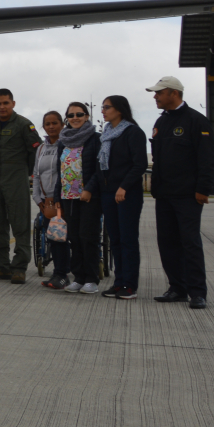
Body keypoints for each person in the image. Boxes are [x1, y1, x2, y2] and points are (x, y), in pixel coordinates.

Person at [147, 76, 214, 309]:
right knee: (167, 242)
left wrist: (203, 189)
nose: (155, 97)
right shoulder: (161, 122)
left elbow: (207, 160)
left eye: (159, 93)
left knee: (190, 243)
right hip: (164, 194)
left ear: (173, 93)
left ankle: (197, 292)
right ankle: (177, 287)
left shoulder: (197, 121)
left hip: (188, 195)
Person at [0, 88, 43, 284]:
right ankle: (1, 266)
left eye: (6, 103)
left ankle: (19, 268)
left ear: (13, 104)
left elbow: (36, 152)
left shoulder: (24, 125)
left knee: (20, 223)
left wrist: (28, 173)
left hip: (16, 178)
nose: (2, 107)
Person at [98, 95, 149, 299]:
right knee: (115, 240)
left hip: (127, 194)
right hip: (109, 193)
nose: (103, 110)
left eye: (107, 107)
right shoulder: (107, 134)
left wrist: (124, 187)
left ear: (119, 109)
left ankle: (130, 284)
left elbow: (139, 164)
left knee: (128, 240)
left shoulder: (133, 132)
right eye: (102, 107)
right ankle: (119, 283)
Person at [51, 102, 103, 294]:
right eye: (71, 115)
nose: (75, 118)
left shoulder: (96, 139)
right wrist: (57, 195)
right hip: (68, 197)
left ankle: (91, 278)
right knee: (74, 238)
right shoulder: (63, 141)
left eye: (79, 114)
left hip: (88, 197)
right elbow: (60, 171)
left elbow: (99, 168)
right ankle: (78, 277)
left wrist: (89, 189)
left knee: (88, 237)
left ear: (87, 116)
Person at [33, 111, 68, 289]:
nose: (51, 126)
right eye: (47, 124)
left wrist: (58, 198)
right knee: (54, 237)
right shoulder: (41, 149)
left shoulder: (67, 144)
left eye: (55, 123)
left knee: (64, 238)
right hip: (46, 202)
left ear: (62, 124)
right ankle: (59, 273)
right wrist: (37, 198)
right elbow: (37, 175)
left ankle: (64, 273)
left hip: (64, 199)